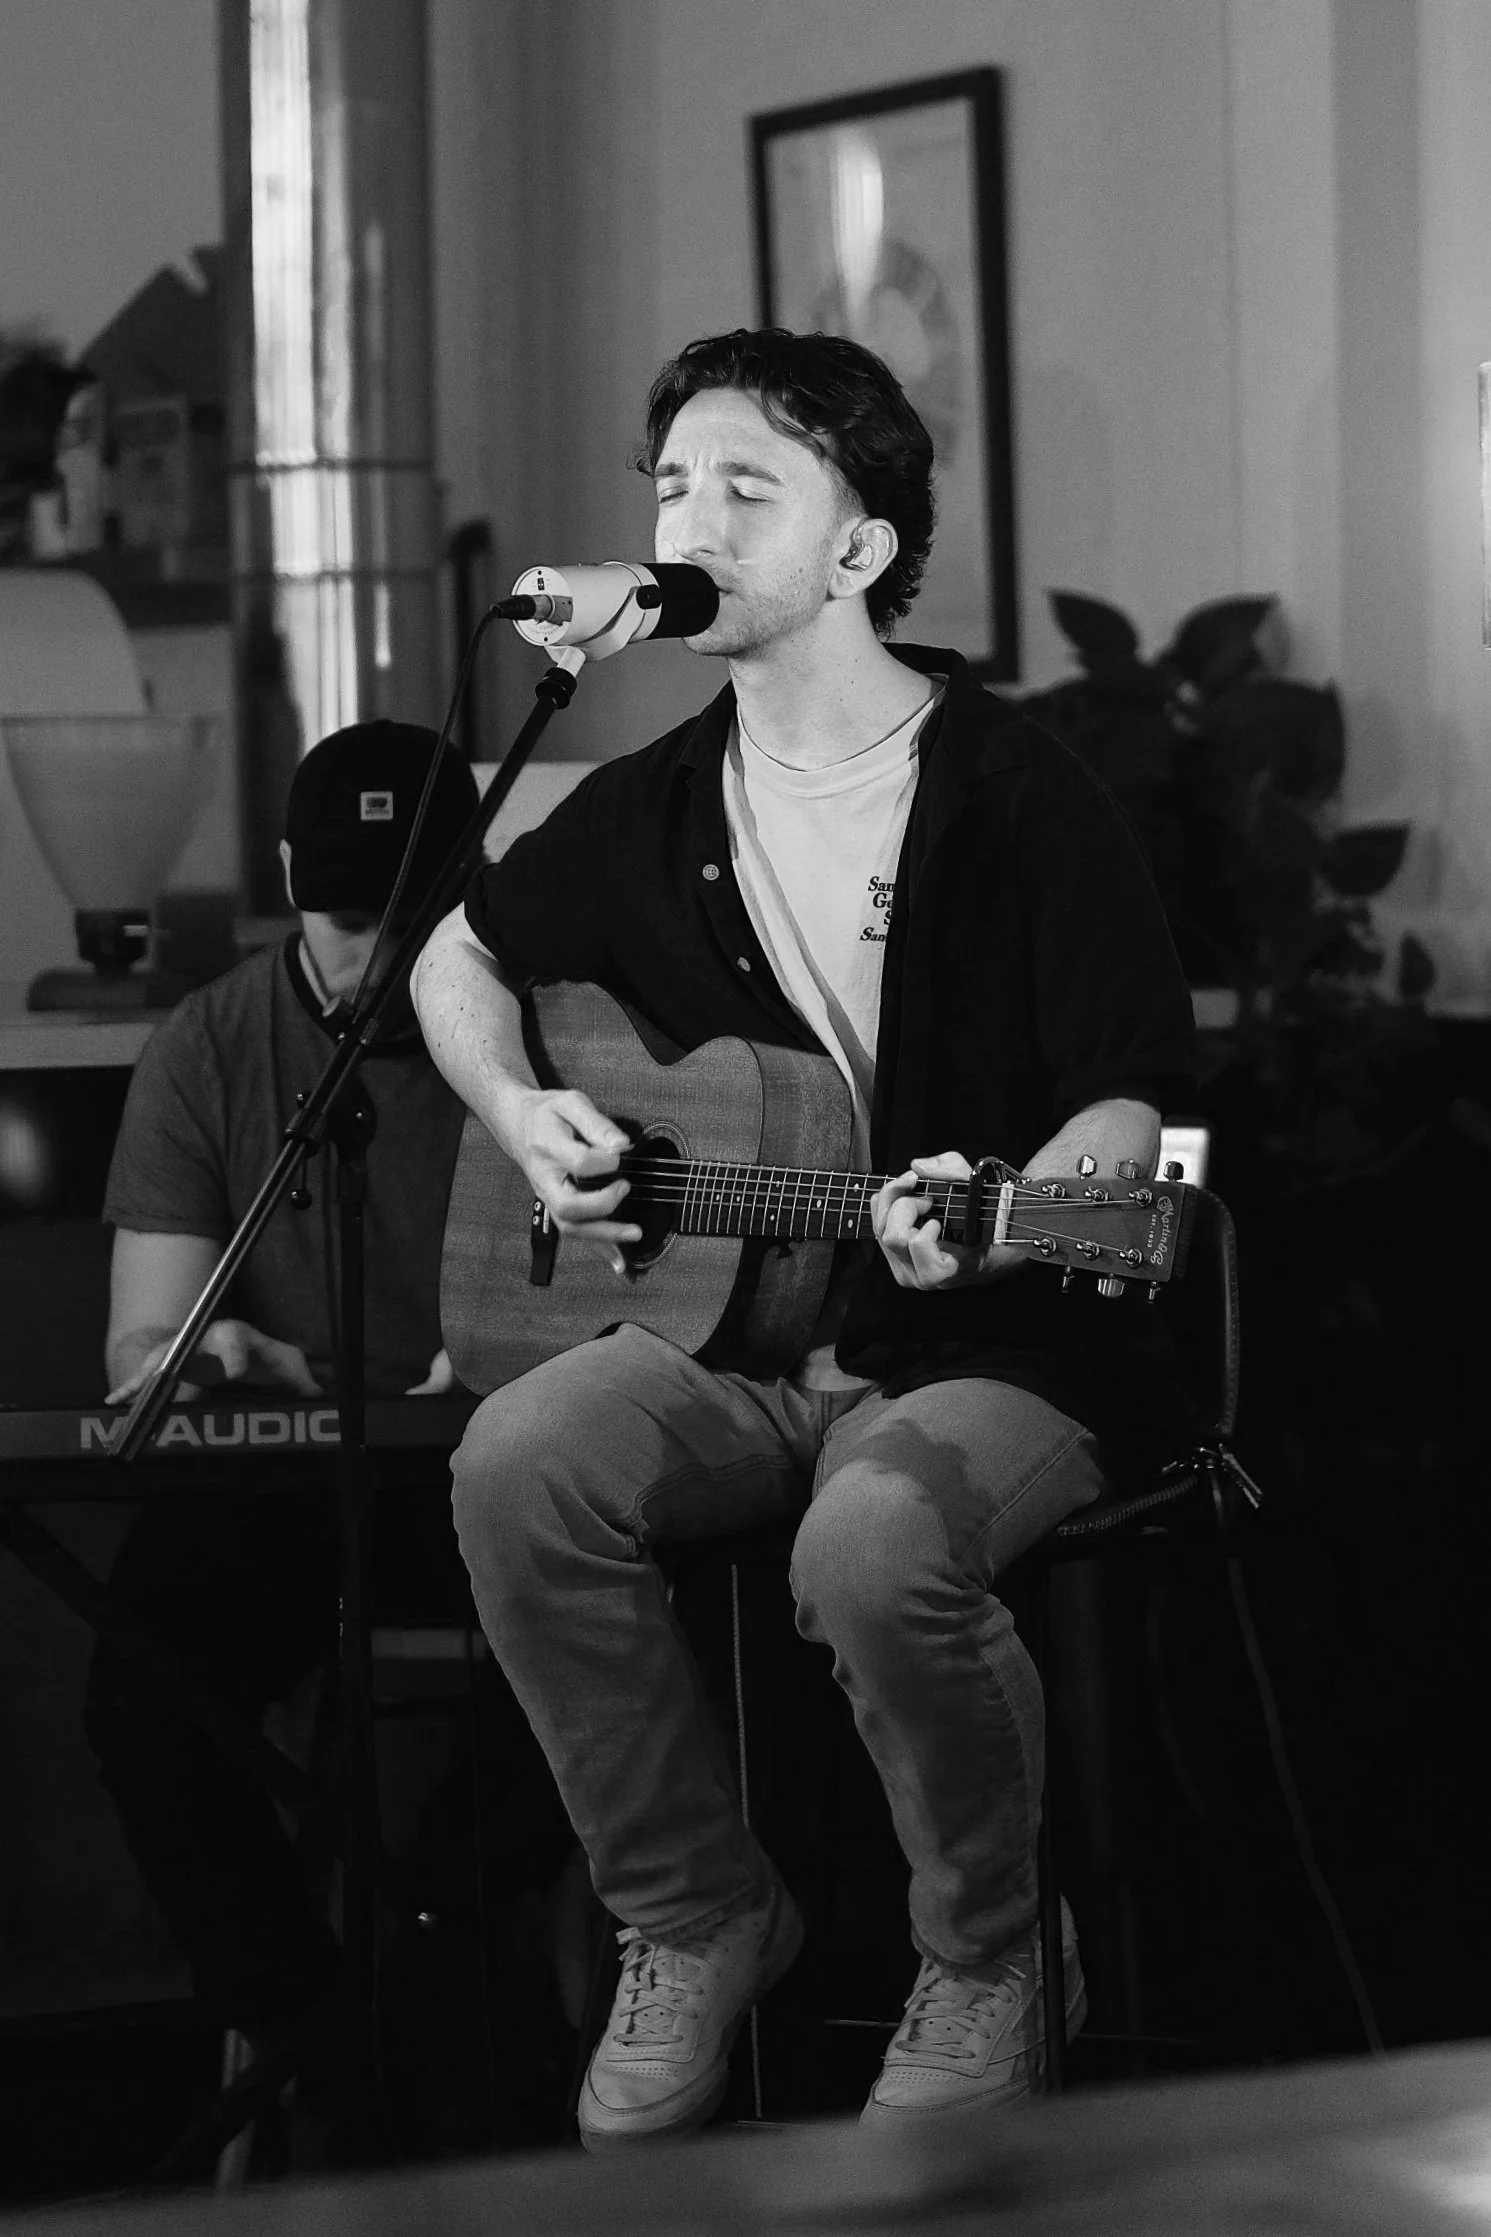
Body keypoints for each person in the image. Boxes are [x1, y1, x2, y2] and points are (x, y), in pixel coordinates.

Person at [411, 328, 1199, 2149]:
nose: (689, 525)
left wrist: (1001, 1228)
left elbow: (1131, 1113)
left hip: (1000, 1345)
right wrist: (520, 1114)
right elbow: (456, 953)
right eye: (672, 488)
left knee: (867, 1546)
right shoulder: (650, 798)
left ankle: (992, 1955)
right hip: (741, 1345)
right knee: (517, 1463)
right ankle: (695, 1914)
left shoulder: (1013, 790)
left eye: (743, 490)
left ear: (858, 548)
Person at [84, 720, 479, 2073]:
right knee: (143, 1696)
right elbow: (141, 1348)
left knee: (623, 1646)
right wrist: (207, 1357)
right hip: (290, 1482)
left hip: (503, 1474)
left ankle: (445, 1955)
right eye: (350, 921)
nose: (379, 960)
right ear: (293, 881)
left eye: (412, 919)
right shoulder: (211, 1044)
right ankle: (322, 2036)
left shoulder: (556, 1030)